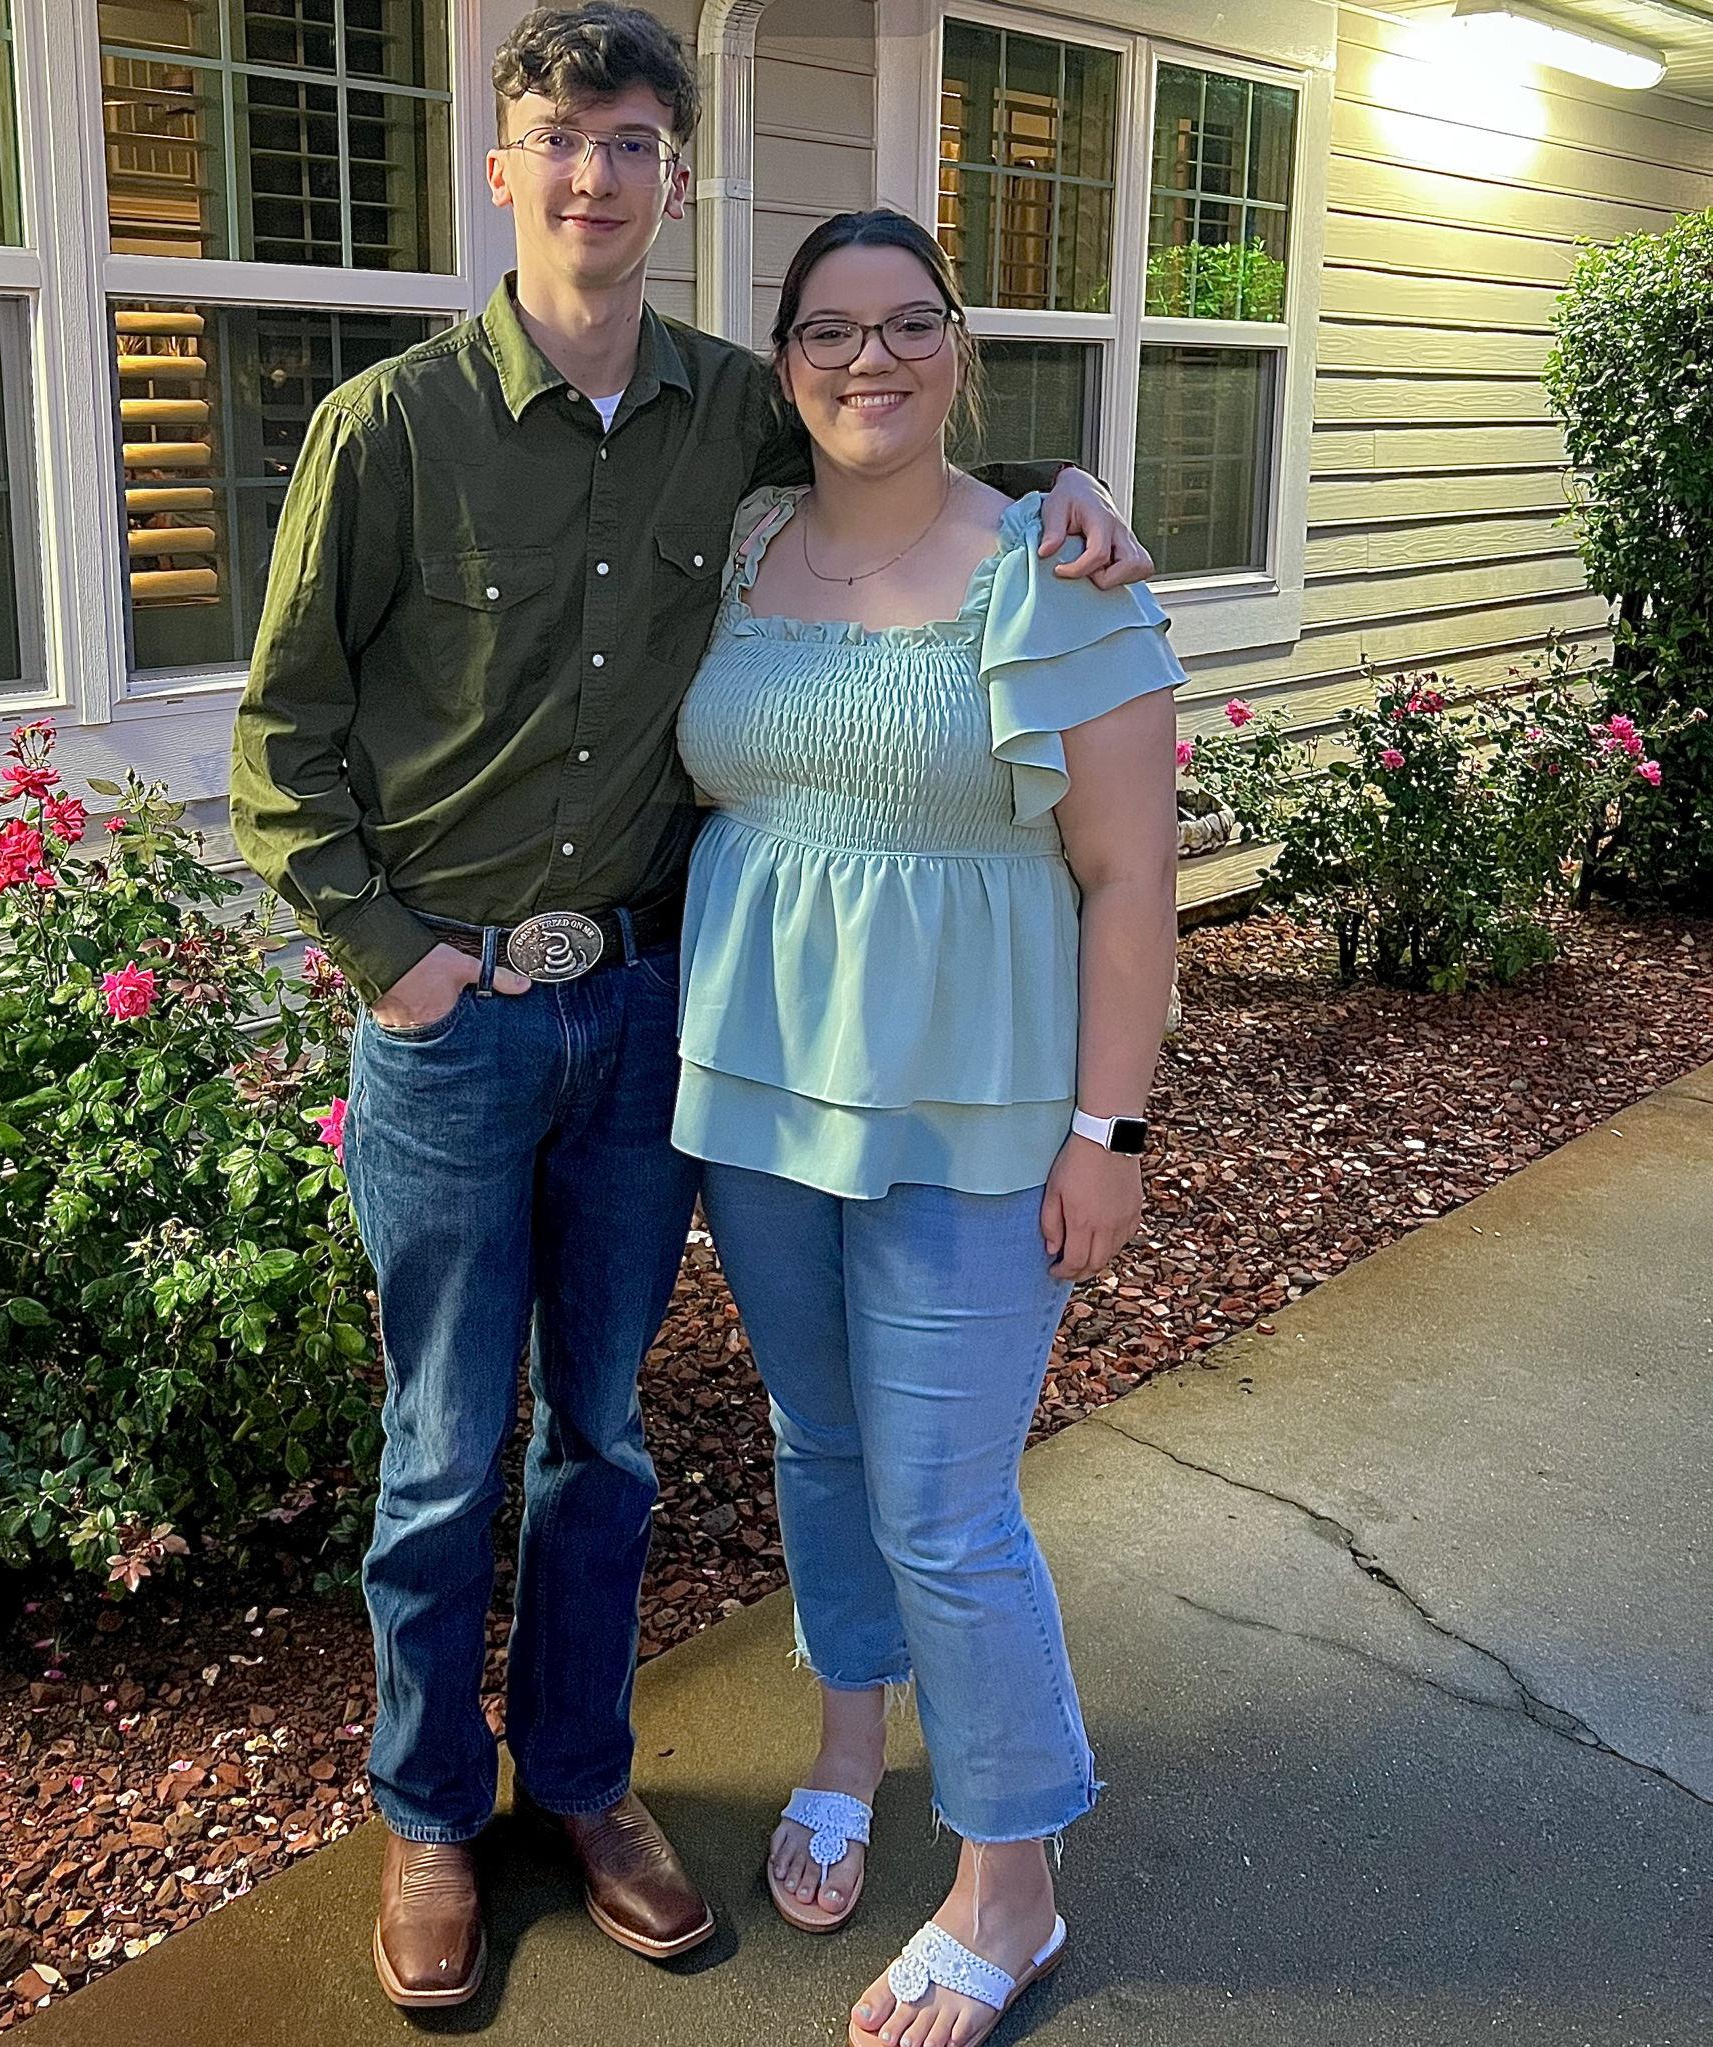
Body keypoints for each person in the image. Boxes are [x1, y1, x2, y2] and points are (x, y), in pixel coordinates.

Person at [229, 5, 1154, 2013]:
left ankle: (580, 1782)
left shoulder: (735, 410)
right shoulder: (385, 430)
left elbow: (889, 451)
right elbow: (281, 739)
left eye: (633, 139)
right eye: (559, 136)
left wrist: (1066, 486)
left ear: (671, 175)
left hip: (658, 1028)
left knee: (603, 1442)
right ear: (503, 167)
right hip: (458, 1027)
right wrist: (397, 960)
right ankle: (428, 1818)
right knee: (438, 1450)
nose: (593, 174)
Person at [672, 208, 1181, 2047]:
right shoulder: (740, 539)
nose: (866, 362)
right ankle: (844, 1748)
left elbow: (1130, 885)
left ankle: (1011, 1883)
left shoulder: (1058, 571)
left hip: (979, 1107)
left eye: (908, 328)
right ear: (785, 361)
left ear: (961, 349)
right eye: (827, 332)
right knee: (821, 1447)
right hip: (761, 1092)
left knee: (949, 1507)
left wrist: (1107, 1135)